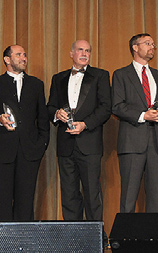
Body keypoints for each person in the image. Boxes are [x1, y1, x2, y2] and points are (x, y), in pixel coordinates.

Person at [0, 45, 49, 222]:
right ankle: (2, 244)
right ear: (7, 60)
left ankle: (24, 244)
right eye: (18, 55)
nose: (23, 58)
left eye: (25, 54)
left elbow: (42, 118)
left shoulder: (36, 84)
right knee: (1, 201)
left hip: (30, 151)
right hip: (2, 151)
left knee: (25, 201)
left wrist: (42, 144)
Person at [47, 40, 111, 220]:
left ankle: (96, 236)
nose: (84, 54)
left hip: (89, 143)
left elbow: (106, 108)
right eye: (80, 50)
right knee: (69, 194)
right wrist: (56, 113)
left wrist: (85, 124)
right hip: (66, 144)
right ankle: (72, 237)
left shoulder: (101, 75)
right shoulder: (58, 78)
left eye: (88, 50)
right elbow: (50, 106)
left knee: (92, 193)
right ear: (71, 53)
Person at [112, 33, 158, 213]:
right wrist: (143, 115)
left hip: (157, 143)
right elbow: (117, 106)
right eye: (147, 43)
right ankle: (126, 239)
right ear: (135, 47)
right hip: (132, 142)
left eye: (153, 44)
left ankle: (154, 239)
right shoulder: (121, 75)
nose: (152, 47)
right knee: (129, 197)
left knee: (156, 198)